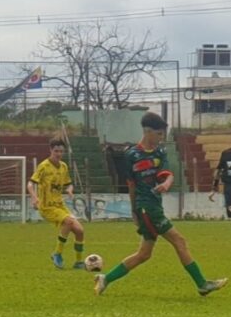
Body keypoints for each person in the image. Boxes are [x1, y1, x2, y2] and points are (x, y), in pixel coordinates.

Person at [94, 112, 227, 296]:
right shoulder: (131, 155)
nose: (161, 137)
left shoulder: (160, 152)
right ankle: (202, 284)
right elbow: (131, 184)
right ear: (147, 132)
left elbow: (167, 174)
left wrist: (165, 184)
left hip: (154, 205)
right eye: (158, 134)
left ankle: (105, 279)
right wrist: (134, 211)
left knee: (144, 254)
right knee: (179, 241)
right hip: (146, 207)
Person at [27, 137, 86, 269]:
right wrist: (34, 197)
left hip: (60, 206)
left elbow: (69, 184)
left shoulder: (63, 166)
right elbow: (30, 184)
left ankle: (78, 262)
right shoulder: (44, 166)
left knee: (80, 231)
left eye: (61, 151)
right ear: (50, 150)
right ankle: (57, 254)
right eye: (56, 151)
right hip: (47, 207)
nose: (59, 154)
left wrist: (70, 190)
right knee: (69, 222)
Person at [209, 146, 231, 218]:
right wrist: (214, 188)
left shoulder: (226, 153)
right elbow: (218, 171)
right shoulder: (226, 153)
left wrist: (214, 188)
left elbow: (218, 171)